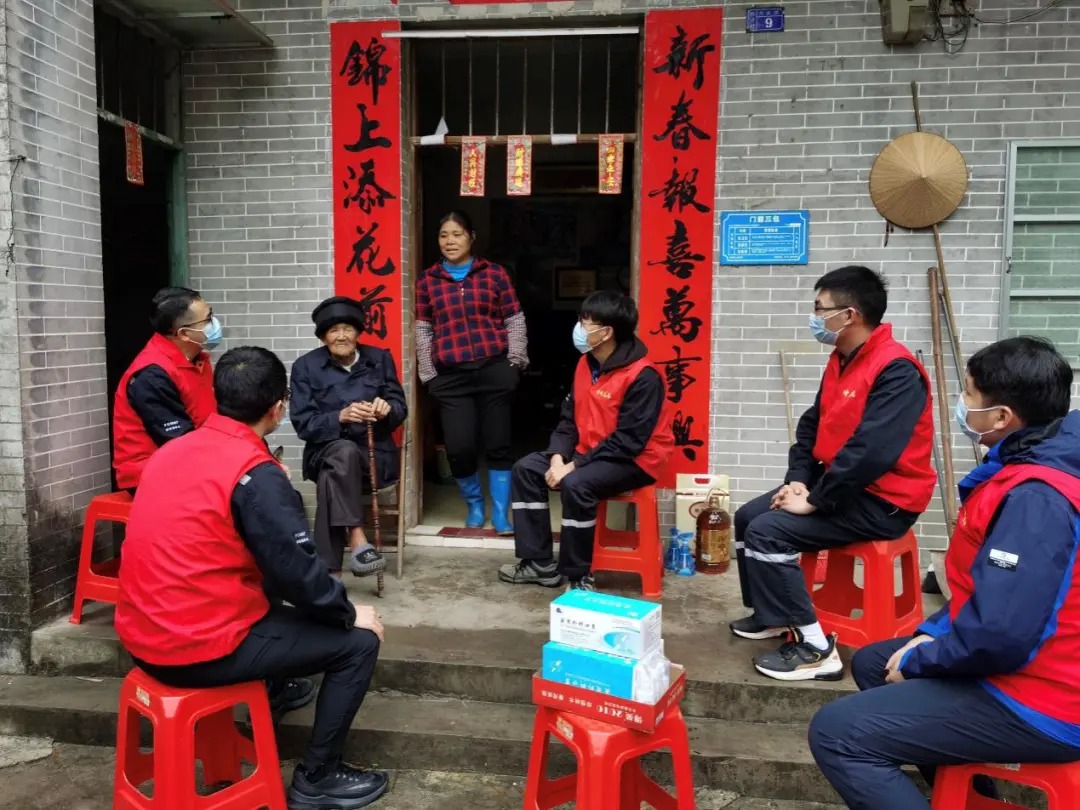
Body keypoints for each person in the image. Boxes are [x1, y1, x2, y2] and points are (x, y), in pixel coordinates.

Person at [809, 337, 1080, 810]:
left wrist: (923, 660)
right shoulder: (1035, 458)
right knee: (875, 661)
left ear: (1001, 417)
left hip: (1047, 695)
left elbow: (1000, 634)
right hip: (1034, 656)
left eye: (968, 394)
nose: (961, 403)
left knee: (838, 733)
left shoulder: (1036, 498)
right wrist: (930, 636)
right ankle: (970, 799)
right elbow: (987, 593)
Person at [115, 346, 388, 810]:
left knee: (265, 591)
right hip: (195, 649)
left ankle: (275, 688)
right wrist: (348, 614)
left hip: (141, 636)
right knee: (359, 644)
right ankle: (318, 778)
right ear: (277, 408)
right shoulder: (254, 472)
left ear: (218, 396)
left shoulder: (171, 451)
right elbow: (297, 575)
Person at [731, 266, 936, 681]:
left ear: (849, 315)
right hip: (839, 485)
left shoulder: (896, 370)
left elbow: (870, 452)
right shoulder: (842, 359)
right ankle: (774, 615)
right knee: (748, 517)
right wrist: (798, 480)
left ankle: (817, 649)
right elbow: (813, 424)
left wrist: (815, 501)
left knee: (768, 532)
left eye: (819, 308)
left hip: (884, 500)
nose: (814, 317)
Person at [499, 291, 673, 592]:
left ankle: (578, 574)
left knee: (577, 485)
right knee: (526, 469)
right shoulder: (585, 364)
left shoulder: (643, 376)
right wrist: (557, 456)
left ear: (606, 332)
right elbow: (569, 419)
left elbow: (629, 441)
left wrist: (572, 467)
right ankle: (538, 563)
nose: (579, 327)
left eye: (586, 322)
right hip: (588, 452)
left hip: (635, 459)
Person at [415, 210, 528, 535]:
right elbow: (423, 328)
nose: (449, 241)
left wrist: (515, 362)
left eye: (457, 234)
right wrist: (429, 374)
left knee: (498, 444)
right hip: (451, 377)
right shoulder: (428, 280)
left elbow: (514, 319)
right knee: (459, 447)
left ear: (471, 237)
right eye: (444, 235)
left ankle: (502, 514)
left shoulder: (494, 274)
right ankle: (475, 506)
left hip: (494, 370)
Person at [290, 296, 407, 577]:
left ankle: (330, 572)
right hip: (324, 454)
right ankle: (357, 536)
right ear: (323, 337)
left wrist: (386, 409)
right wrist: (340, 417)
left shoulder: (380, 359)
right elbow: (303, 424)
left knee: (332, 476)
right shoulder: (305, 366)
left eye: (347, 329)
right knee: (342, 453)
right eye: (333, 331)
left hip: (373, 459)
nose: (341, 336)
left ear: (358, 332)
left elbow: (400, 407)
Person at [112, 287, 220, 492]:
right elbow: (179, 444)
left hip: (193, 461)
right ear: (184, 334)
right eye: (208, 319)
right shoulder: (152, 376)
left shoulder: (197, 360)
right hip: (152, 474)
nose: (214, 324)